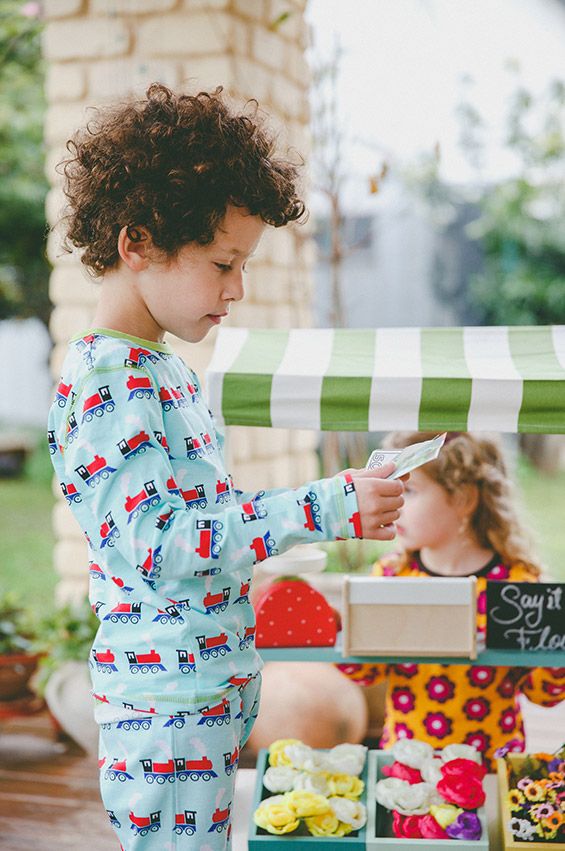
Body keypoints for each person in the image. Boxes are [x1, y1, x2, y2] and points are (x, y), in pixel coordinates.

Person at [47, 83, 406, 849]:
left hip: (205, 689)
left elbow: (203, 520)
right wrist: (322, 505)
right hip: (166, 707)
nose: (237, 287)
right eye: (222, 262)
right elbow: (159, 542)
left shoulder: (159, 367)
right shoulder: (110, 382)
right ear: (136, 243)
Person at [338, 431, 565, 771]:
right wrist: (345, 632)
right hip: (407, 766)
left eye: (409, 491)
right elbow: (367, 672)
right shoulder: (392, 577)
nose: (393, 502)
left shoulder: (516, 585)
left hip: (490, 768)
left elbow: (544, 694)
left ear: (464, 499)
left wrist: (555, 644)